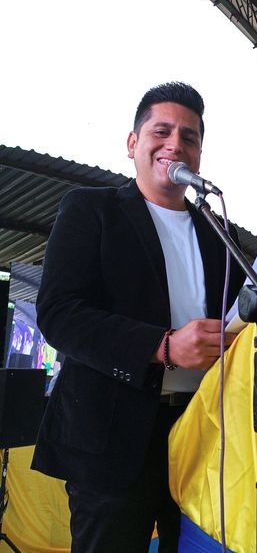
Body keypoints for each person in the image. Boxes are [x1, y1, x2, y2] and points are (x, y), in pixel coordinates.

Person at [31, 82, 245, 552]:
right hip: (113, 435)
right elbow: (60, 312)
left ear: (199, 154)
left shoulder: (218, 233)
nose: (175, 144)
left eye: (189, 137)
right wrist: (163, 346)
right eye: (161, 132)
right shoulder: (93, 209)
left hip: (201, 431)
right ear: (133, 143)